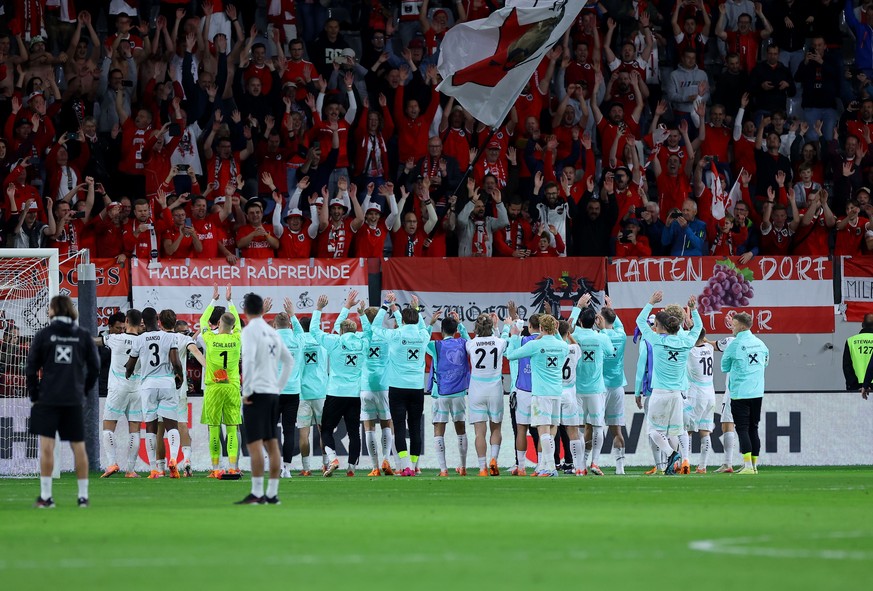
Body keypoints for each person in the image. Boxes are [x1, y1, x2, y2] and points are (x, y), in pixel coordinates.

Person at [26, 296, 100, 508]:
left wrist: (34, 395)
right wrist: (83, 390)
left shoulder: (44, 334)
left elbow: (31, 368)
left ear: (53, 310)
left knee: (47, 447)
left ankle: (46, 497)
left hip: (48, 398)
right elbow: (94, 367)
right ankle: (83, 497)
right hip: (73, 398)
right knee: (79, 447)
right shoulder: (83, 335)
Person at [635, 291, 703, 475]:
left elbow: (640, 322)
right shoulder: (686, 342)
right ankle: (678, 462)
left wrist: (650, 302)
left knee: (653, 431)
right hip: (677, 395)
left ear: (661, 327)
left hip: (659, 393)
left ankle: (672, 454)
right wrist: (694, 310)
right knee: (675, 431)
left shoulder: (656, 340)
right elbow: (697, 329)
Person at [237, 293, 294, 504]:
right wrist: (277, 387)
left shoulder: (250, 331)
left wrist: (247, 391)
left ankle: (257, 492)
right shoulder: (272, 332)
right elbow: (289, 362)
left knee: (255, 444)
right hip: (272, 393)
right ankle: (272, 493)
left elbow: (249, 360)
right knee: (272, 443)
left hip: (257, 393)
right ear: (262, 309)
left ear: (245, 311)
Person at [370, 292, 430, 477]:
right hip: (416, 389)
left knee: (399, 426)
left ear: (402, 320)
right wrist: (416, 308)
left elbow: (374, 327)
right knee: (414, 428)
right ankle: (413, 467)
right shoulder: (423, 336)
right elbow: (419, 326)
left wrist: (386, 305)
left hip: (397, 388)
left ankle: (404, 467)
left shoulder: (395, 335)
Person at [311, 295, 368, 477]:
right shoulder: (363, 343)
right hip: (353, 395)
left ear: (340, 331)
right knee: (354, 433)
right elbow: (369, 332)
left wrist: (319, 309)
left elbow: (314, 331)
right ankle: (351, 468)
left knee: (326, 429)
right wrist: (362, 315)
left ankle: (333, 458)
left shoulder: (335, 342)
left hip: (335, 393)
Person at [505, 314, 569, 477]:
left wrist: (513, 336)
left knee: (543, 430)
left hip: (541, 393)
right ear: (555, 328)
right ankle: (544, 466)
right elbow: (558, 342)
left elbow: (511, 355)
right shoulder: (563, 346)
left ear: (540, 328)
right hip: (557, 392)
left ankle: (550, 468)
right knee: (552, 428)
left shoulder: (534, 344)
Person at [125, 308, 184, 479]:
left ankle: (154, 470)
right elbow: (176, 361)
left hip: (148, 386)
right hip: (166, 383)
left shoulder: (140, 339)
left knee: (150, 427)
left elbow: (130, 364)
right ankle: (173, 459)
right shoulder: (169, 337)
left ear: (143, 321)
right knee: (172, 425)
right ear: (157, 319)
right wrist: (178, 376)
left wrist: (128, 373)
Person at [200, 284, 243, 479]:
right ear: (233, 327)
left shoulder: (209, 338)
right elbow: (239, 323)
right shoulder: (238, 339)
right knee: (232, 428)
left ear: (218, 324)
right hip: (232, 387)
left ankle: (216, 468)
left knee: (215, 428)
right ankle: (233, 467)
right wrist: (230, 301)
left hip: (214, 388)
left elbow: (202, 320)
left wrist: (213, 300)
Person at [569, 296, 616, 476]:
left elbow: (567, 327)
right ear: (595, 322)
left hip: (578, 390)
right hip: (596, 390)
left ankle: (580, 465)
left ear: (581, 320)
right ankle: (595, 462)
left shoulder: (576, 335)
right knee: (597, 427)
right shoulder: (600, 337)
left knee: (579, 428)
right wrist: (603, 330)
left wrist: (578, 307)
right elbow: (611, 352)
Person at [96, 308, 143, 478]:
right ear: (140, 323)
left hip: (117, 388)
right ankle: (130, 470)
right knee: (135, 429)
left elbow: (96, 341)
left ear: (127, 322)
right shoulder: (143, 341)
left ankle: (112, 463)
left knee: (108, 427)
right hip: (137, 389)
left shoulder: (115, 339)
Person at [722, 312, 769, 475]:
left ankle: (748, 466)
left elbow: (724, 367)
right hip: (757, 391)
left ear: (741, 326)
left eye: (733, 325)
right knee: (753, 428)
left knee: (742, 428)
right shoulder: (760, 343)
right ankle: (754, 466)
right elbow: (766, 362)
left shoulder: (734, 345)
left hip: (740, 393)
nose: (731, 328)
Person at [426, 311, 471, 477]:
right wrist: (462, 326)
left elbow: (422, 340)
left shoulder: (436, 345)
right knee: (461, 429)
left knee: (439, 429)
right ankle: (463, 467)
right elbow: (472, 344)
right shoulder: (463, 343)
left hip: (441, 394)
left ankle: (444, 470)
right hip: (459, 393)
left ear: (442, 330)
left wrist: (430, 324)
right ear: (455, 329)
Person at [466, 313, 508, 477]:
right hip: (495, 389)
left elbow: (476, 340)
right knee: (496, 427)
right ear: (492, 327)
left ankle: (482, 468)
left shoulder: (471, 343)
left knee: (479, 432)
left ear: (476, 328)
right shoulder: (500, 342)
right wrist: (498, 328)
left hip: (477, 390)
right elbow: (503, 338)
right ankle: (494, 460)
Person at [599, 297, 628, 475]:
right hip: (618, 386)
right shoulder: (622, 335)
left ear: (600, 320)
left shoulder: (599, 337)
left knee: (594, 427)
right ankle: (620, 468)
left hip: (600, 387)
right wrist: (611, 308)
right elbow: (618, 324)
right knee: (616, 429)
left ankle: (590, 462)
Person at [686, 328, 716, 473]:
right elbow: (701, 337)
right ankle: (702, 466)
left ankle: (684, 462)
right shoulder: (709, 347)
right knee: (705, 431)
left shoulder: (690, 352)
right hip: (710, 394)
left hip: (696, 395)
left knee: (687, 430)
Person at [556, 319, 584, 475]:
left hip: (554, 392)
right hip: (570, 394)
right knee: (573, 431)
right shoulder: (574, 349)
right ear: (567, 333)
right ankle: (578, 466)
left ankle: (548, 465)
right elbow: (577, 346)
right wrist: (570, 335)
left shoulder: (553, 348)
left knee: (550, 430)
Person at [843, 313, 873, 393]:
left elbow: (847, 366)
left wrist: (854, 386)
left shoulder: (851, 341)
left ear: (862, 325)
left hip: (856, 387)